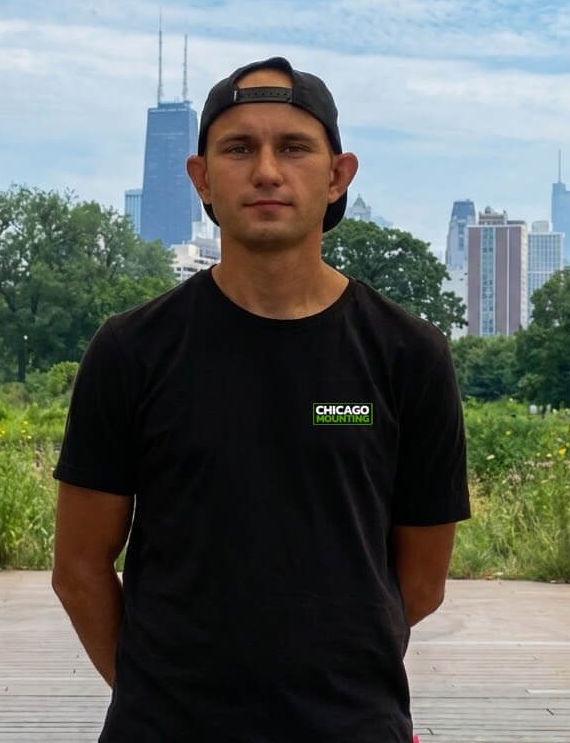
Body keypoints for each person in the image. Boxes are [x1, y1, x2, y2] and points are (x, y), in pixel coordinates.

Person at [52, 57, 470, 743]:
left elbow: (420, 586)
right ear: (201, 177)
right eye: (239, 148)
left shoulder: (407, 356)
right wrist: (156, 697)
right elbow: (78, 567)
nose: (268, 171)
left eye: (295, 147)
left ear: (338, 175)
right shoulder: (132, 350)